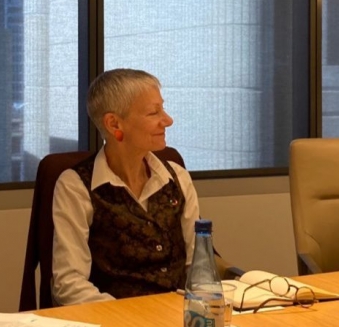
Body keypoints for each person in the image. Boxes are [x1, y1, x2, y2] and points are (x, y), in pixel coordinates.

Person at [51, 68, 231, 305]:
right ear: (114, 123)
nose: (167, 120)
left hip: (178, 317)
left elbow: (196, 263)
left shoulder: (176, 177)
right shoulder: (76, 186)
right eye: (153, 112)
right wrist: (130, 319)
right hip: (115, 324)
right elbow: (69, 284)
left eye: (163, 109)